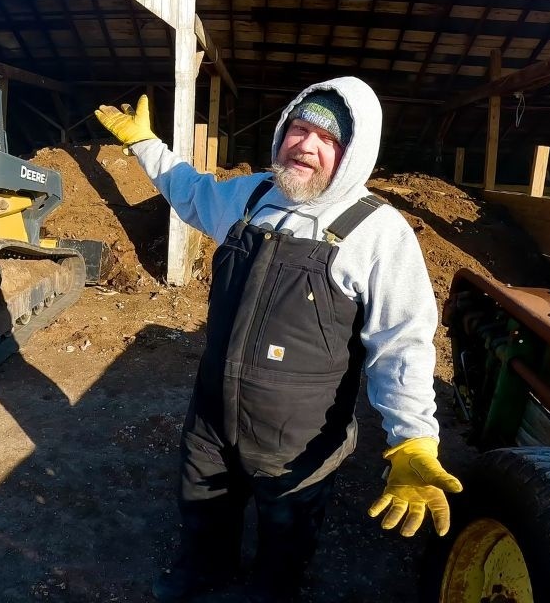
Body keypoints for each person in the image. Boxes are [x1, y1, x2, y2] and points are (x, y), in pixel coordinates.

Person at [95, 78, 461, 602]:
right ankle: (204, 570)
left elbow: (402, 341)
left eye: (326, 139)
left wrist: (413, 436)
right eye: (299, 128)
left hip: (300, 436)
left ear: (353, 153)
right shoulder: (254, 194)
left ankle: (276, 588)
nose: (305, 146)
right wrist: (145, 144)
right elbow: (190, 191)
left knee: (288, 530)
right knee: (202, 503)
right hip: (214, 411)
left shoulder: (377, 232)